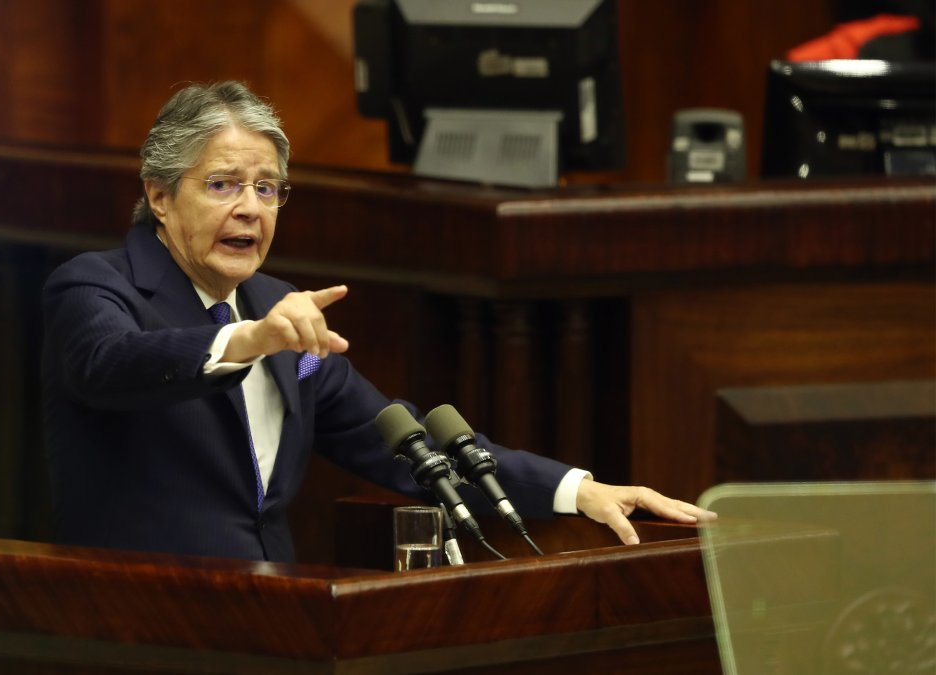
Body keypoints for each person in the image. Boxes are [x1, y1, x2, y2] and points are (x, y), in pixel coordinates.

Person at [41, 81, 715, 562]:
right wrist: (246, 340)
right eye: (222, 185)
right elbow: (111, 366)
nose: (251, 208)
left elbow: (404, 441)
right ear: (159, 195)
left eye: (267, 187)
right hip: (134, 627)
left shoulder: (277, 308)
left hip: (271, 623)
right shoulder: (96, 286)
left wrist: (580, 489)